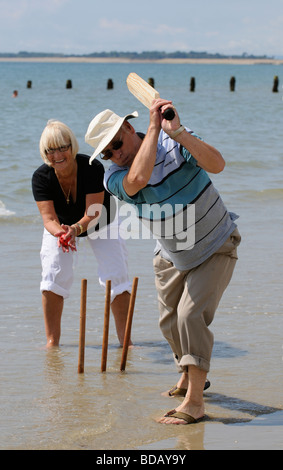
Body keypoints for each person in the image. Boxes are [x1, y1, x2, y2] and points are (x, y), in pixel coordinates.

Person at [84, 100, 241, 425]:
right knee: (169, 323)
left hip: (215, 244)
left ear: (129, 127)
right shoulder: (113, 176)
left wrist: (180, 133)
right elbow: (139, 178)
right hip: (172, 252)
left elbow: (218, 164)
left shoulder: (175, 143)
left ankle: (195, 402)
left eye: (117, 143)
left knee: (189, 316)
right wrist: (155, 128)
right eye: (107, 152)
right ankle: (188, 375)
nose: (115, 154)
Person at [32, 119, 132, 349]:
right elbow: (48, 219)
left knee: (116, 275)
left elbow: (92, 213)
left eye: (62, 147)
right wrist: (62, 234)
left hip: (101, 221)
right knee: (52, 275)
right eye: (51, 150)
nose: (57, 155)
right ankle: (52, 343)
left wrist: (75, 229)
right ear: (44, 153)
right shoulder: (41, 177)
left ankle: (125, 342)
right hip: (62, 228)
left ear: (72, 146)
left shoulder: (91, 166)